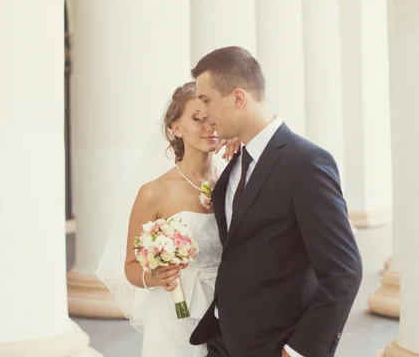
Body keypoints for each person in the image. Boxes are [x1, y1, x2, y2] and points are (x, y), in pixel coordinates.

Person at [188, 46, 363, 357]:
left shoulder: (306, 163)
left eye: (207, 100)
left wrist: (298, 351)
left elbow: (343, 272)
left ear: (238, 98)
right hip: (221, 339)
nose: (204, 113)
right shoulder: (236, 160)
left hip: (273, 345)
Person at [111, 82, 238, 357]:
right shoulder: (153, 192)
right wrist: (158, 275)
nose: (210, 126)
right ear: (176, 128)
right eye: (197, 118)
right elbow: (131, 267)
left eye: (214, 117)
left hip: (228, 312)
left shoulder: (235, 181)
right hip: (174, 315)